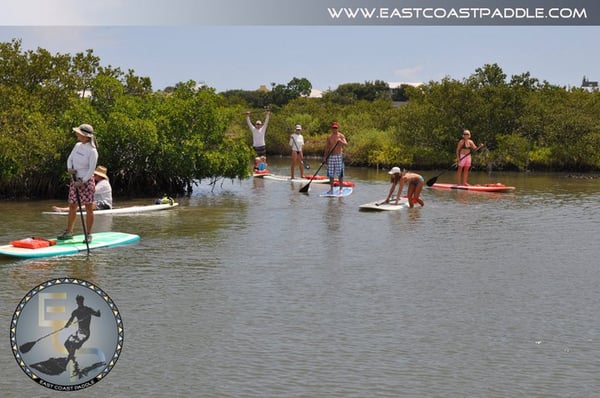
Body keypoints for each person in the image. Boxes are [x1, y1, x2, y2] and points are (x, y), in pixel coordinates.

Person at [57, 124, 98, 243]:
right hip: (74, 180)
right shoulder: (77, 145)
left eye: (79, 133)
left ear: (86, 136)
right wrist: (70, 168)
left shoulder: (93, 151)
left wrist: (82, 181)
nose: (77, 134)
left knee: (89, 207)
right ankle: (69, 232)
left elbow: (91, 170)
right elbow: (70, 159)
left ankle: (88, 234)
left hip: (86, 181)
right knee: (72, 206)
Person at [63, 295, 101, 373]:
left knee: (73, 346)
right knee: (66, 344)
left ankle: (70, 363)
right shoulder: (75, 312)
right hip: (79, 332)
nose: (79, 302)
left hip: (85, 332)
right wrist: (67, 325)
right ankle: (73, 359)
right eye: (78, 301)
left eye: (81, 300)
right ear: (77, 302)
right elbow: (70, 320)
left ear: (83, 301)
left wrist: (97, 312)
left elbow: (98, 315)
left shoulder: (88, 310)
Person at [324, 122, 348, 194]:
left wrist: (341, 141)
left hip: (338, 156)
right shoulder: (329, 137)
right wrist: (325, 157)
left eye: (336, 128)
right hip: (331, 156)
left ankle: (341, 188)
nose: (335, 129)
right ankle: (331, 189)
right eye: (333, 128)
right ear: (332, 128)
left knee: (340, 173)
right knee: (331, 173)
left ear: (338, 128)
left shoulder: (341, 136)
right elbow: (327, 148)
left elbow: (346, 144)